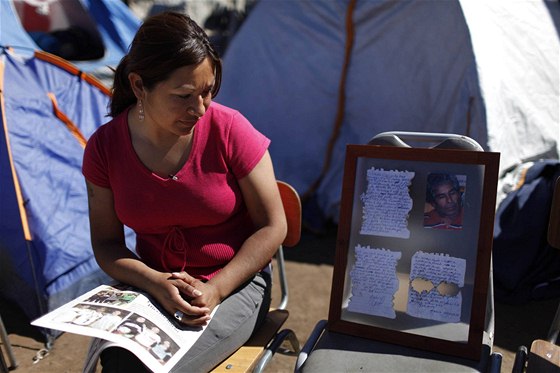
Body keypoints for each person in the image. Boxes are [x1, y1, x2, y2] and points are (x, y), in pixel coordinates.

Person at [82, 11, 287, 372]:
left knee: (162, 368)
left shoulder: (230, 129)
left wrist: (216, 289)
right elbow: (106, 244)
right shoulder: (104, 148)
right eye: (183, 96)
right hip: (154, 286)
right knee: (119, 361)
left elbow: (273, 226)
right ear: (139, 85)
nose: (200, 108)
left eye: (208, 91)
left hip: (236, 283)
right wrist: (154, 281)